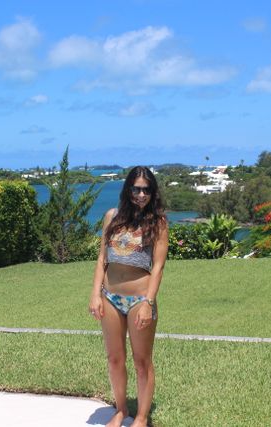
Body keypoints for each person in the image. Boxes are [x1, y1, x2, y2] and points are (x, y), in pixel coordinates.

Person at [89, 166, 169, 427]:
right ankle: (121, 410)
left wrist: (148, 303)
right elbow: (102, 259)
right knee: (114, 359)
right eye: (136, 189)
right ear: (128, 189)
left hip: (139, 299)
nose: (141, 195)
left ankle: (142, 417)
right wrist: (95, 294)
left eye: (146, 190)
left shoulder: (158, 223)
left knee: (141, 362)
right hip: (110, 297)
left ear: (153, 192)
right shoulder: (111, 217)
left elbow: (158, 266)